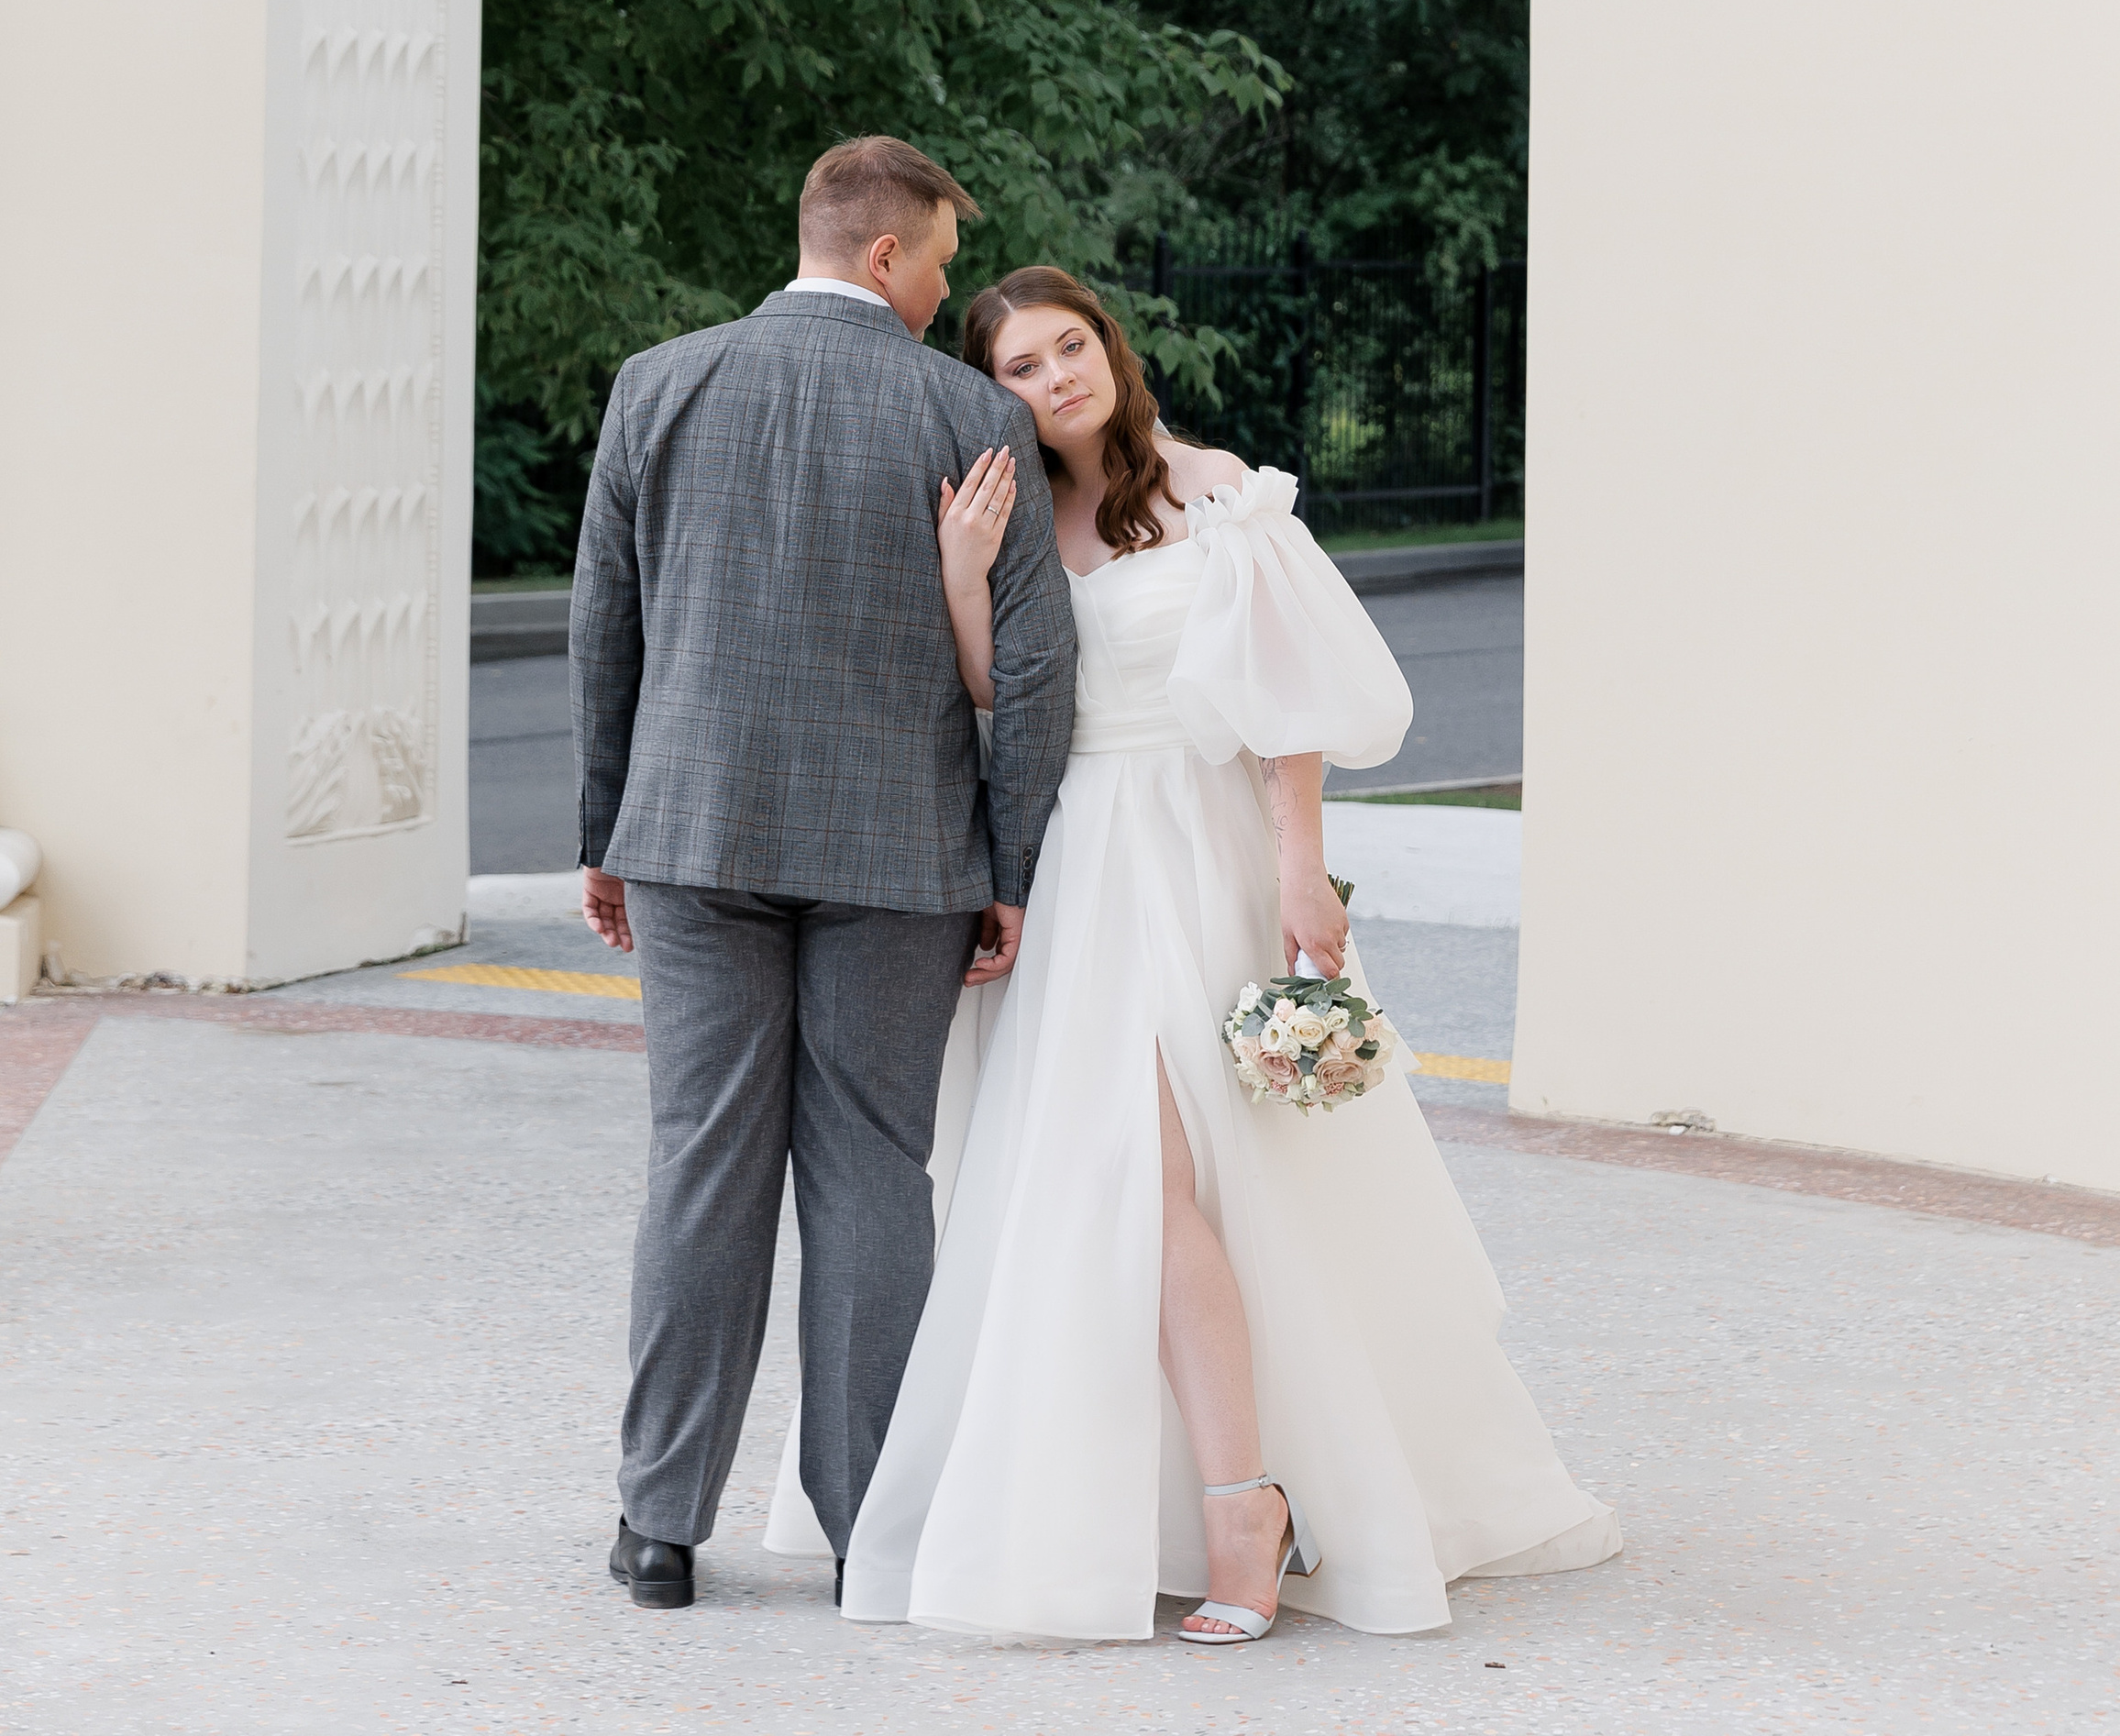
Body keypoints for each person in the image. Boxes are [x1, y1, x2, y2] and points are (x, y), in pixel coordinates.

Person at [767, 265, 1620, 1644]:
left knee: (1196, 1187)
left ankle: (1247, 1506)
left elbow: (1288, 698)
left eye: (1070, 348)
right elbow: (1004, 701)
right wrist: (965, 578)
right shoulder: (1016, 511)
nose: (1057, 380)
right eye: (1025, 368)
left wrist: (1299, 863)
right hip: (1077, 863)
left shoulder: (1215, 487)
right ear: (1001, 393)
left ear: (1111, 346)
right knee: (1122, 1192)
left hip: (1201, 853)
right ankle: (1217, 1504)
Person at [570, 144, 1079, 1612]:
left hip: (693, 834)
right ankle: (873, 1530)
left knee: (701, 1158)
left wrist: (609, 828)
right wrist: (1010, 860)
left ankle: (658, 1526)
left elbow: (608, 633)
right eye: (933, 265)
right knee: (869, 1166)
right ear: (880, 257)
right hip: (900, 852)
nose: (941, 291)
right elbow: (1031, 670)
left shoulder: (657, 387)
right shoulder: (965, 413)